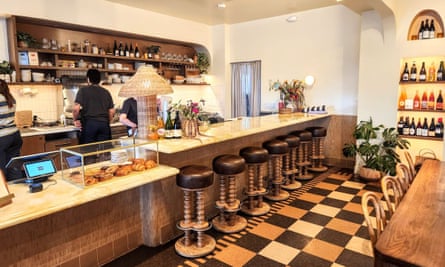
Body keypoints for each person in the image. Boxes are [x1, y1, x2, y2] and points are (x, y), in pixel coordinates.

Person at [73, 69, 115, 144]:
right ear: (99, 79)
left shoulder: (83, 91)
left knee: (89, 152)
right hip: (104, 125)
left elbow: (76, 109)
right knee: (104, 151)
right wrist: (107, 121)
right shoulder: (106, 92)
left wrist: (75, 120)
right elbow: (111, 111)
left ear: (88, 79)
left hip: (89, 125)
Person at [0, 79, 23, 180]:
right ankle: (16, 191)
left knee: (1, 170)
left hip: (2, 137)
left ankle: (5, 193)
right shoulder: (11, 98)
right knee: (14, 167)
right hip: (14, 135)